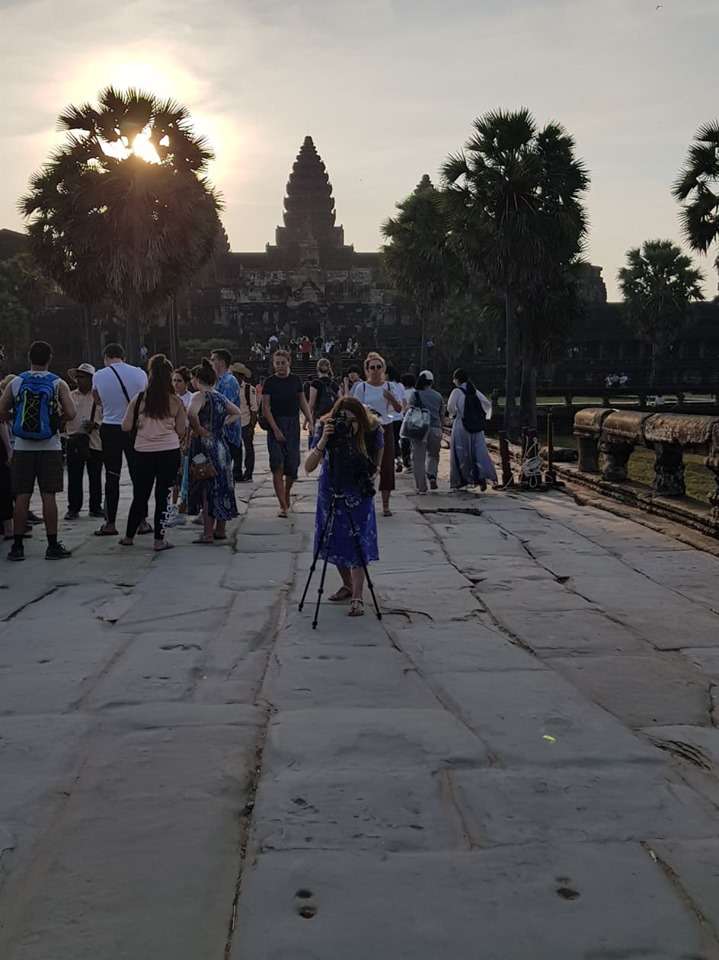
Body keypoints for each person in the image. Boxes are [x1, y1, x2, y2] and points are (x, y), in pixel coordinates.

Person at [305, 397, 384, 618]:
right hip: (331, 489)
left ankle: (358, 595)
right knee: (332, 539)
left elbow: (376, 464)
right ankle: (347, 584)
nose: (347, 425)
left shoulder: (372, 429)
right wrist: (323, 441)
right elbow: (309, 467)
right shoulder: (326, 427)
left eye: (353, 420)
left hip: (357, 492)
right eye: (343, 419)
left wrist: (368, 470)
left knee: (357, 541)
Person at [0, 340, 76, 561]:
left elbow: (1, 410)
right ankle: (52, 545)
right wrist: (55, 421)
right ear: (49, 359)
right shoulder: (58, 383)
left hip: (22, 446)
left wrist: (16, 419)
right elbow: (71, 413)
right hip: (50, 446)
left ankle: (17, 547)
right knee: (48, 496)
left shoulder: (17, 382)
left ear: (29, 358)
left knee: (22, 496)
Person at [119, 354, 186, 551]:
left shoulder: (139, 399)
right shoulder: (176, 401)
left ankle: (129, 536)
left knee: (140, 495)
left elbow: (125, 426)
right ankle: (159, 539)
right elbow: (181, 430)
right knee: (163, 495)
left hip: (143, 452)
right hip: (169, 452)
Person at [92, 343, 149, 537]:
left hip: (110, 427)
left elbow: (97, 399)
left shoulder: (99, 375)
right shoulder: (140, 373)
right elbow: (146, 398)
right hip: (133, 428)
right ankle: (141, 521)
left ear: (106, 357)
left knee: (112, 475)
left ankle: (110, 523)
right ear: (123, 356)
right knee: (139, 475)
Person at [187, 359, 240, 543]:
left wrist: (199, 429)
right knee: (223, 486)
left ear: (197, 379)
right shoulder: (219, 396)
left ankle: (208, 533)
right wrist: (222, 424)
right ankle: (220, 530)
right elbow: (236, 412)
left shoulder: (198, 396)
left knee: (206, 487)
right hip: (221, 446)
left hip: (204, 447)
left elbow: (191, 414)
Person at [262, 349, 313, 518]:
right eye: (277, 363)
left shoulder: (296, 380)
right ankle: (283, 505)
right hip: (275, 423)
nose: (280, 366)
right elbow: (266, 408)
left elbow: (302, 401)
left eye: (283, 363)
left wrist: (310, 419)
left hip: (292, 424)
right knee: (277, 464)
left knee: (293, 464)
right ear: (273, 364)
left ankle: (287, 490)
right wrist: (275, 429)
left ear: (289, 362)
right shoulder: (269, 382)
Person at [351, 353, 403, 517]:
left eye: (378, 367)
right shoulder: (362, 388)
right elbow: (355, 410)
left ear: (384, 369)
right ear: (367, 370)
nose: (375, 370)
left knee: (387, 466)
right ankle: (363, 500)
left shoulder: (390, 387)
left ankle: (386, 504)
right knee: (365, 464)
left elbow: (399, 409)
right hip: (367, 429)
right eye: (372, 367)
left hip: (385, 427)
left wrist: (392, 399)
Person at [64, 362, 103, 520]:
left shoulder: (99, 397)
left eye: (83, 377)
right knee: (74, 476)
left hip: (94, 440)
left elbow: (107, 417)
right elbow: (64, 414)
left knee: (95, 476)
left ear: (91, 379)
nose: (79, 380)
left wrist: (96, 424)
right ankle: (73, 508)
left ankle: (95, 507)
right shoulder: (70, 396)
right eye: (78, 377)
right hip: (74, 439)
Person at [447, 368, 497, 492]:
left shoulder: (456, 392)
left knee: (461, 452)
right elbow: (487, 404)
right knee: (479, 452)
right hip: (476, 427)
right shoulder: (474, 390)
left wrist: (454, 415)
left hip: (461, 425)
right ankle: (482, 478)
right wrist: (483, 418)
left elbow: (450, 408)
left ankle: (462, 480)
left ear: (457, 379)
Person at [403, 370, 445, 494]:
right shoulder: (438, 396)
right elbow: (441, 414)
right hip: (435, 428)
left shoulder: (415, 395)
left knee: (418, 459)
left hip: (419, 430)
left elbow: (408, 411)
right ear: (432, 382)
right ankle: (432, 475)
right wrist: (440, 428)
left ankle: (421, 487)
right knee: (434, 455)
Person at [210, 350, 244, 483]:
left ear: (221, 362)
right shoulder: (217, 381)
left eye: (213, 360)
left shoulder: (229, 381)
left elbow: (224, 407)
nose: (211, 362)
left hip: (228, 433)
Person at [233, 362, 258, 482]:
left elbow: (254, 409)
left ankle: (248, 473)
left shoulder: (249, 389)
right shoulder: (230, 388)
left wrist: (251, 426)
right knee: (236, 449)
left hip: (245, 422)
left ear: (241, 376)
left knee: (248, 449)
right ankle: (236, 473)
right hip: (233, 423)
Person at [308, 358, 339, 432]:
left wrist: (307, 421)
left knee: (317, 441)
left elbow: (311, 404)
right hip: (333, 418)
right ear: (329, 369)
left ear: (317, 369)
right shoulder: (334, 384)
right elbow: (341, 400)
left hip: (319, 418)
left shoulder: (315, 383)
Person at [385, 364, 406, 475]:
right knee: (397, 440)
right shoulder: (400, 385)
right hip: (400, 417)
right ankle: (398, 459)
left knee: (389, 442)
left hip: (389, 418)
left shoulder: (386, 385)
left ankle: (394, 461)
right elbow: (404, 402)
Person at [398, 372, 416, 470]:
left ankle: (407, 463)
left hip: (404, 419)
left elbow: (402, 407)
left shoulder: (403, 393)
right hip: (415, 420)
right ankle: (413, 462)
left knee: (404, 442)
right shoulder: (416, 392)